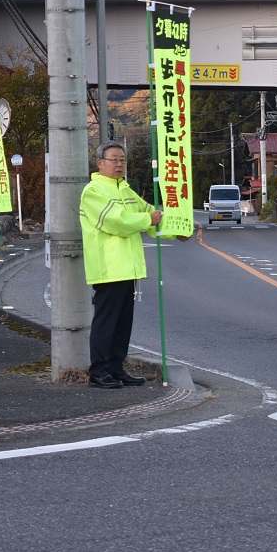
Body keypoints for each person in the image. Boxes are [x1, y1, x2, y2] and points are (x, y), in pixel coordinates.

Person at [79, 141, 163, 389]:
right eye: (114, 159)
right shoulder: (93, 191)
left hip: (127, 267)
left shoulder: (126, 190)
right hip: (107, 267)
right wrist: (149, 218)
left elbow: (150, 214)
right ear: (100, 163)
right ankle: (98, 371)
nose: (119, 164)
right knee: (106, 321)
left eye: (123, 160)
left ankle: (116, 368)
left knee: (122, 322)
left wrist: (174, 229)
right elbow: (116, 221)